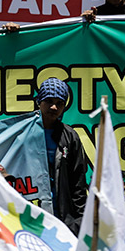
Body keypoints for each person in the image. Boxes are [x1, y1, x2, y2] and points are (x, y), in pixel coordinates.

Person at [36, 78, 88, 235]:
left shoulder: (70, 136)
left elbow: (78, 182)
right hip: (31, 214)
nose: (54, 107)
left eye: (60, 103)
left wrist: (81, 220)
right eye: (49, 101)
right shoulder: (23, 133)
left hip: (62, 218)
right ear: (39, 102)